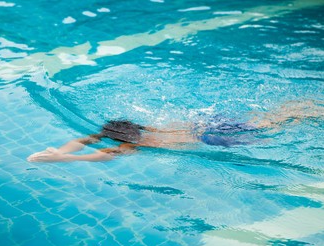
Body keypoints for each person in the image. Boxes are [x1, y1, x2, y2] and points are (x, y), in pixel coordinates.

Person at [27, 100, 323, 163]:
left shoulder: (130, 146)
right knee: (271, 118)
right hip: (203, 122)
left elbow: (102, 154)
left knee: (274, 127)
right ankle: (306, 106)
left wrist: (64, 158)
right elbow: (87, 140)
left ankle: (306, 112)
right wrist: (59, 150)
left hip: (208, 137)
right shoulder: (142, 130)